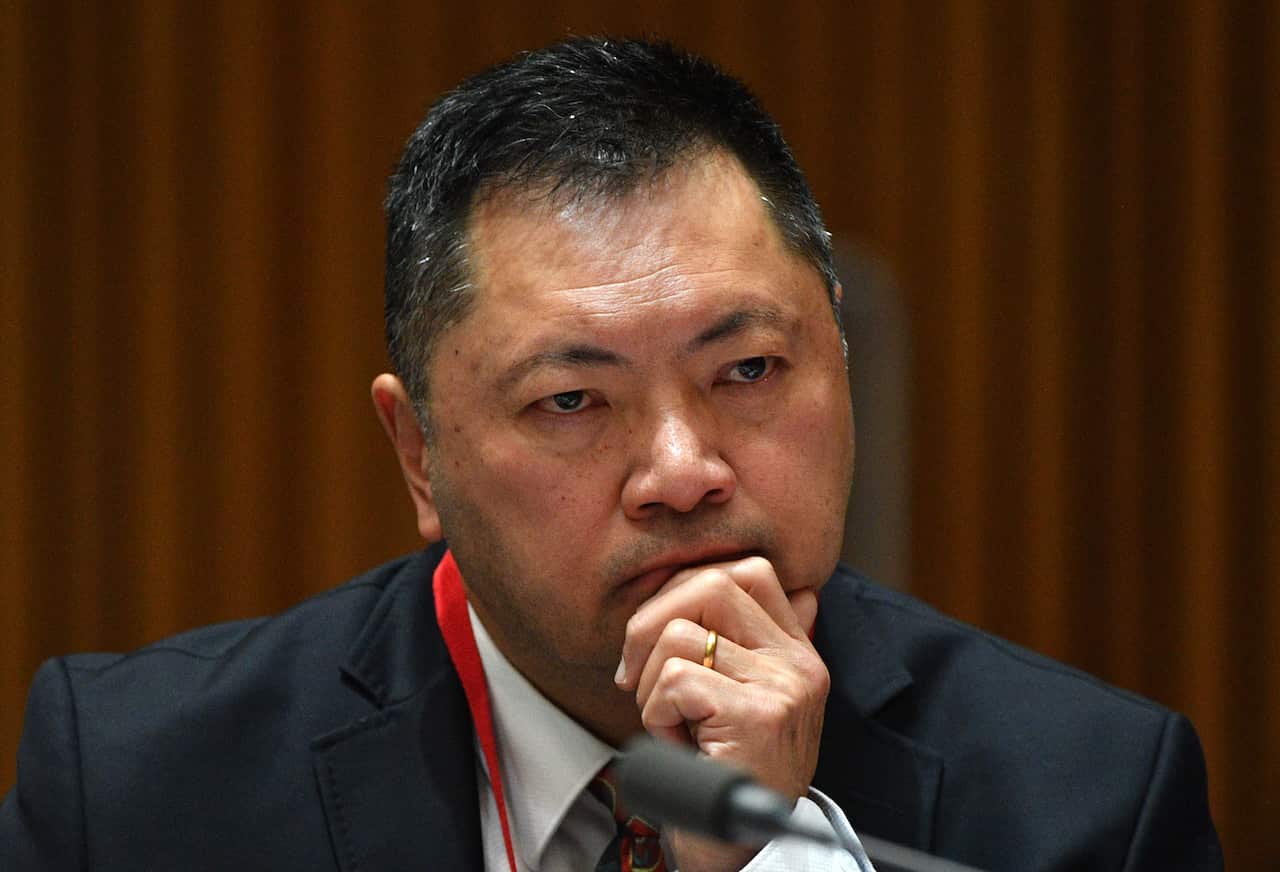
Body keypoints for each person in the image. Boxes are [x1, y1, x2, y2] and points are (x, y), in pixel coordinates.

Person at [1, 37, 1220, 872]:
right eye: (575, 399)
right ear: (418, 455)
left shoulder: (1085, 806)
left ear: (840, 363)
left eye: (746, 370)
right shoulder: (141, 789)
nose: (683, 468)